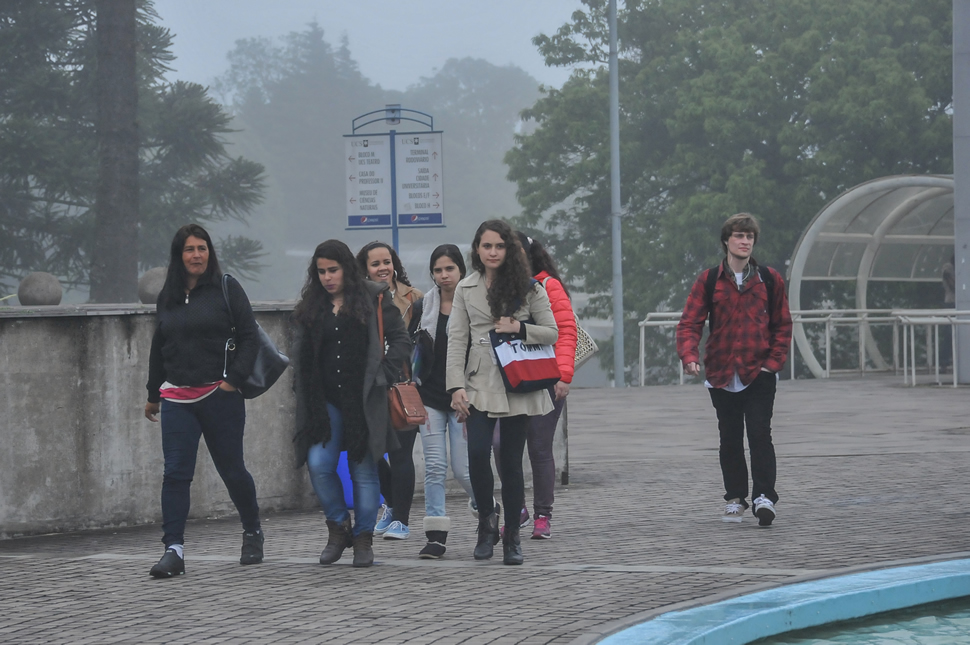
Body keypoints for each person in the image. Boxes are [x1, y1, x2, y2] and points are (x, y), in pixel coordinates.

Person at [144, 224, 264, 578]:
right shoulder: (167, 295)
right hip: (177, 397)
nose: (196, 255)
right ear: (178, 256)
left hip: (219, 396)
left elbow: (250, 337)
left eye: (202, 248)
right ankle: (174, 550)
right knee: (175, 473)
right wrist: (153, 394)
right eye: (189, 249)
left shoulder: (226, 288)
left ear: (210, 252)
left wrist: (231, 383)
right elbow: (159, 344)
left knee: (232, 470)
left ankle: (252, 530)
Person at [292, 239, 411, 567]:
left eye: (333, 270)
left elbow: (401, 339)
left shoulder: (373, 297)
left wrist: (383, 374)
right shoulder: (311, 305)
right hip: (325, 400)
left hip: (363, 399)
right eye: (321, 272)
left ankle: (363, 538)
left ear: (346, 268)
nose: (327, 277)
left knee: (364, 470)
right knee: (319, 464)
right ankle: (338, 527)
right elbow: (300, 352)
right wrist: (302, 385)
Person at [447, 219, 559, 565]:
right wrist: (455, 386)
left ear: (509, 250)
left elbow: (551, 332)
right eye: (487, 246)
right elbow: (457, 340)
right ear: (477, 250)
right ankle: (486, 523)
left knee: (511, 462)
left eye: (499, 246)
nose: (493, 252)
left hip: (516, 380)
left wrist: (519, 327)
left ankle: (512, 536)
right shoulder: (466, 287)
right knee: (477, 452)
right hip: (478, 380)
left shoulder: (529, 287)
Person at [676, 213, 793, 527]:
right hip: (722, 372)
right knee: (729, 437)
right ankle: (736, 498)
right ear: (726, 241)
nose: (745, 242)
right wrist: (689, 355)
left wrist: (772, 364)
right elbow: (690, 322)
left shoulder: (769, 279)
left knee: (759, 434)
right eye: (739, 236)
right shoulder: (709, 280)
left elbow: (783, 325)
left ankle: (764, 497)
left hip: (759, 372)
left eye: (749, 237)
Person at [355, 241, 423, 541]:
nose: (383, 268)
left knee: (401, 452)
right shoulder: (357, 299)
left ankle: (401, 520)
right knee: (369, 450)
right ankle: (393, 504)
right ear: (364, 269)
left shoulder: (415, 298)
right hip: (369, 386)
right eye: (375, 264)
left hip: (403, 382)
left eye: (387, 262)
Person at [412, 244, 476, 558]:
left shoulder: (474, 304)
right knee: (435, 467)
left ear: (461, 270)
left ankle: (486, 507)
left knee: (463, 469)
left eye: (449, 268)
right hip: (429, 396)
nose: (444, 275)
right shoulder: (423, 306)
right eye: (438, 270)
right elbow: (412, 349)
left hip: (463, 398)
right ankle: (435, 536)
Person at [517, 232, 577, 540]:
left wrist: (563, 376)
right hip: (510, 379)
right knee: (501, 445)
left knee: (539, 447)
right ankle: (517, 509)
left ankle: (543, 514)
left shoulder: (547, 285)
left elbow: (566, 330)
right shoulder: (493, 287)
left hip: (546, 379)